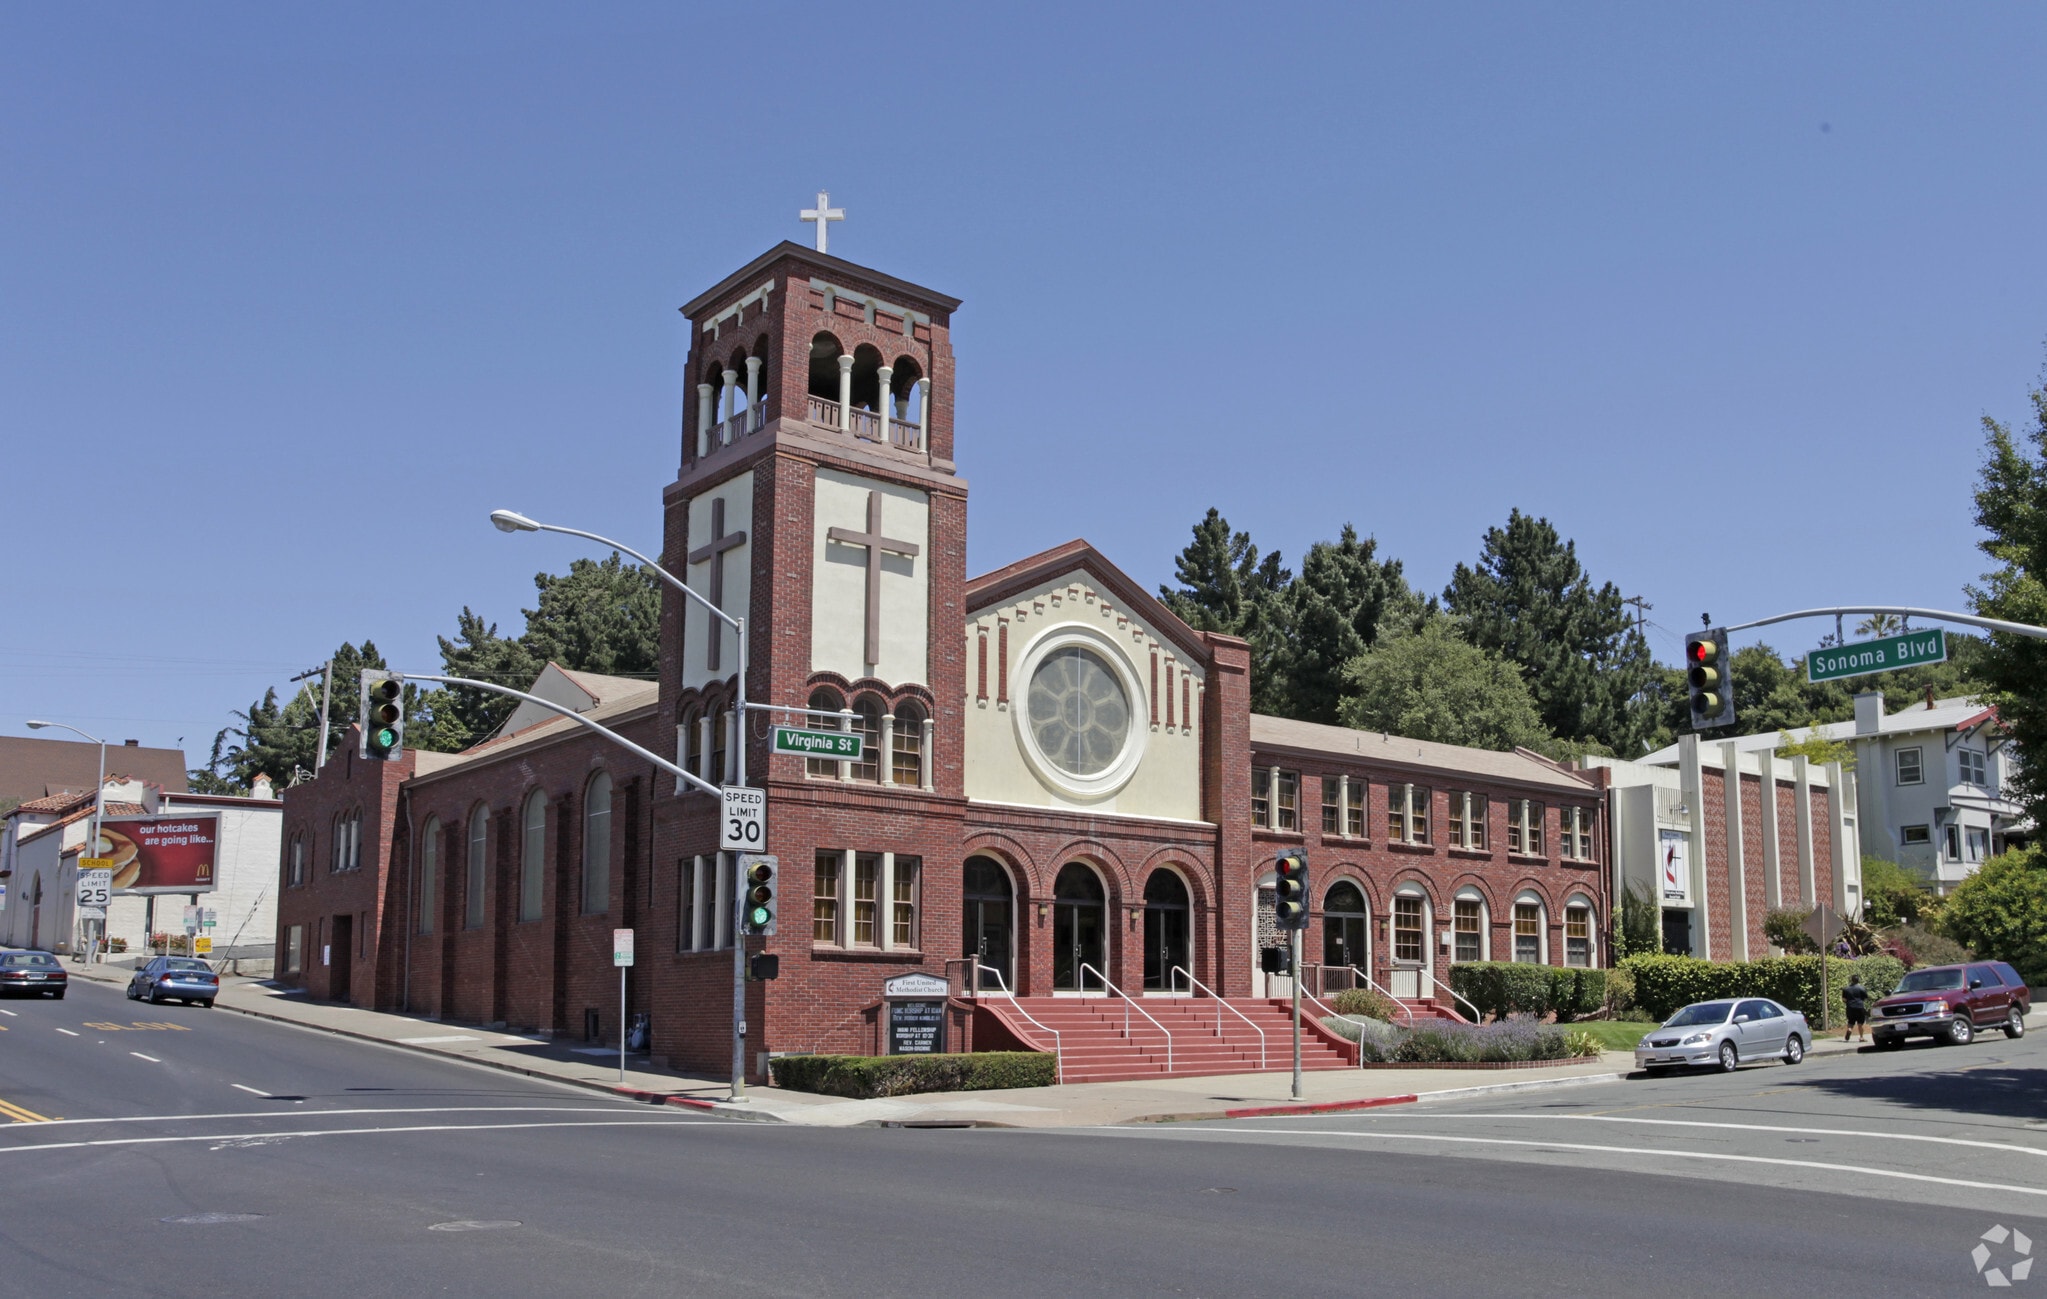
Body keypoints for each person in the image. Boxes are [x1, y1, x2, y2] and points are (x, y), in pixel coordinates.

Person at [1843, 974, 1871, 1043]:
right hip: (1859, 1007)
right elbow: (1865, 997)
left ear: (1851, 980)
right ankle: (1861, 1037)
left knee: (1850, 1021)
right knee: (1860, 1023)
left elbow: (1844, 999)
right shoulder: (1862, 988)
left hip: (1850, 1007)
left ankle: (1849, 1029)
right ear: (1858, 980)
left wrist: (1848, 1002)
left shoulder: (1846, 989)